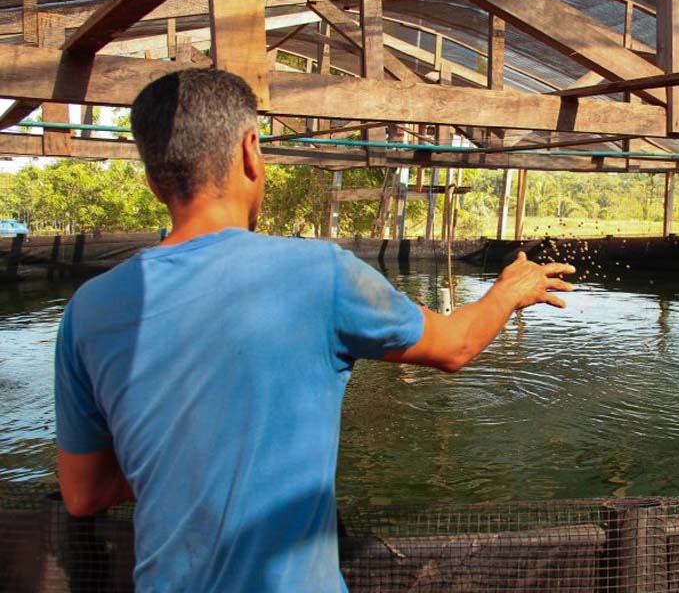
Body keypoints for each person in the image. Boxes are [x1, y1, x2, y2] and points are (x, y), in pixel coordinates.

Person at [54, 68, 574, 592]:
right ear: (251, 151)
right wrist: (509, 290)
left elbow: (82, 493)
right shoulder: (318, 274)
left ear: (153, 179)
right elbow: (456, 345)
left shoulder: (88, 310)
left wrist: (173, 454)